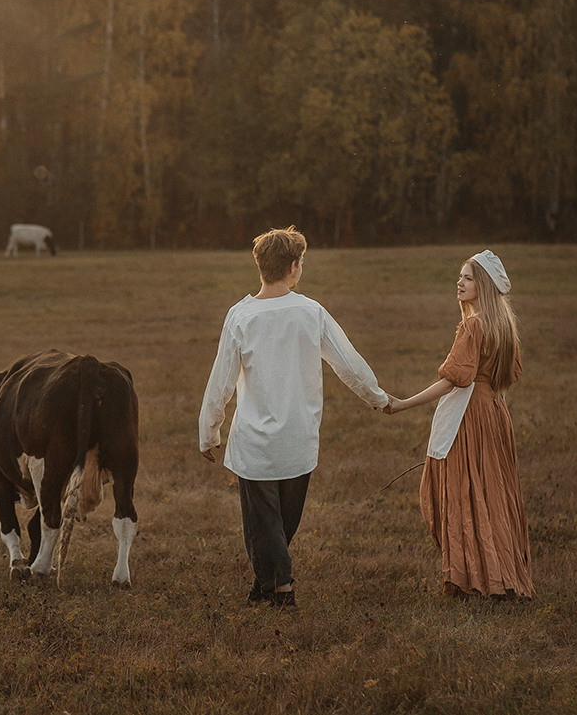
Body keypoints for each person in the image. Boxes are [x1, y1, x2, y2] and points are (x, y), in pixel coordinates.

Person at [199, 226, 389, 608]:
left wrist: (209, 431)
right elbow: (348, 363)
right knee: (274, 522)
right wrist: (378, 398)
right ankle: (281, 586)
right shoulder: (310, 312)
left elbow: (220, 380)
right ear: (292, 267)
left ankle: (264, 583)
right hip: (298, 439)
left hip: (255, 442)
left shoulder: (241, 316)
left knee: (269, 524)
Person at [382, 250, 535, 599]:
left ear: (482, 285)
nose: (460, 282)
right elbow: (510, 375)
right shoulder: (504, 325)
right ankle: (498, 577)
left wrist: (403, 403)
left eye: (467, 277)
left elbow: (455, 379)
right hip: (495, 414)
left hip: (470, 418)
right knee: (492, 493)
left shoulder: (473, 325)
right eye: (460, 277)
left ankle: (474, 580)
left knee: (463, 491)